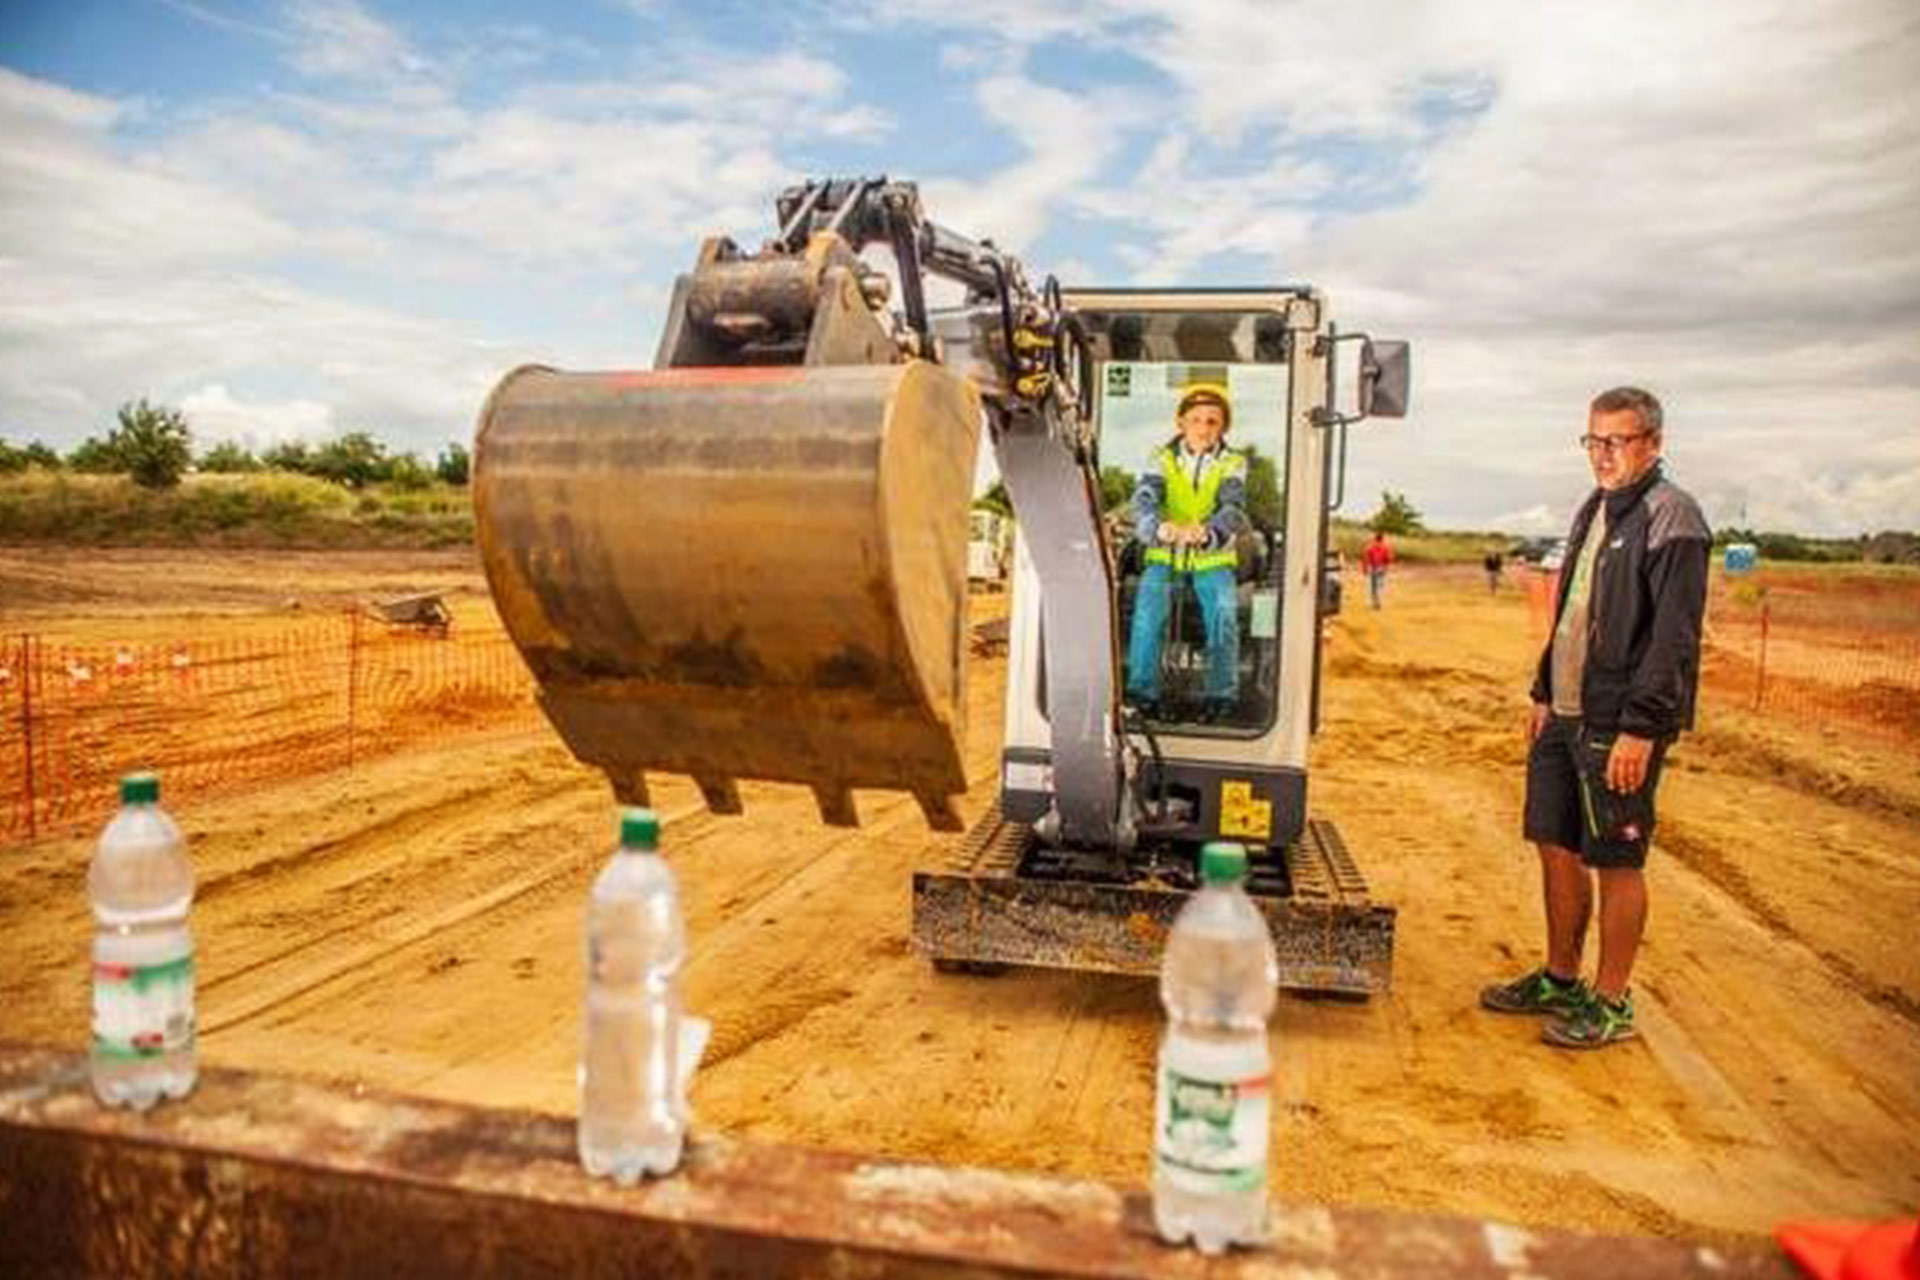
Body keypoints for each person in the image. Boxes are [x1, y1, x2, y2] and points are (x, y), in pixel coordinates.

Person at [1480, 386, 1710, 1050]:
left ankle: (1611, 1003)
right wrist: (1544, 690)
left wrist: (1641, 726)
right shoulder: (1595, 507)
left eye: (1618, 441)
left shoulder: (1674, 518)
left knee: (1615, 856)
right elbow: (1572, 611)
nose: (1603, 455)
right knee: (1554, 841)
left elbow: (1673, 637)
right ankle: (1560, 977)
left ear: (1654, 444)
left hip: (1619, 719)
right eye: (1593, 441)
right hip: (1567, 710)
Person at [1124, 383, 1249, 720]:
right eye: (1196, 420)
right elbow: (1144, 498)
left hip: (1212, 557)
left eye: (1213, 421)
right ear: (1181, 423)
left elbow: (1233, 507)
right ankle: (1141, 693)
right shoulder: (1161, 458)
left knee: (1223, 614)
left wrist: (1210, 532)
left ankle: (1220, 695)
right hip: (1165, 554)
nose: (1204, 428)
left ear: (1222, 427)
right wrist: (1156, 527)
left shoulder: (1233, 462)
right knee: (1148, 613)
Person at [1361, 530, 1393, 609]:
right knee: (1379, 586)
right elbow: (1388, 559)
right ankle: (1378, 603)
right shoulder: (1385, 548)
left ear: (1375, 538)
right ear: (1382, 539)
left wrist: (1364, 569)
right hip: (1380, 568)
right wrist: (1385, 568)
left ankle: (1372, 603)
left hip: (1371, 567)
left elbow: (1366, 559)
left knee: (1371, 586)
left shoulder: (1369, 547)